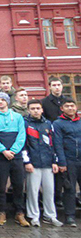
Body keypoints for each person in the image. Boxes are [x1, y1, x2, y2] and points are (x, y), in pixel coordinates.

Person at [0, 92, 29, 227]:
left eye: (3, 99)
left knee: (18, 185)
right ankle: (1, 212)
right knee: (1, 185)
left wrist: (14, 151)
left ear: (7, 101)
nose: (0, 102)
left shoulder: (17, 117)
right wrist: (3, 150)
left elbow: (22, 135)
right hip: (1, 156)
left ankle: (19, 213)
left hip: (16, 156)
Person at [22, 100, 62, 227]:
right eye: (32, 108)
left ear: (42, 110)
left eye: (38, 108)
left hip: (48, 163)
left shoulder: (48, 124)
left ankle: (50, 215)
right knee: (32, 192)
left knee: (49, 191)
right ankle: (34, 216)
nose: (35, 110)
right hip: (33, 163)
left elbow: (53, 143)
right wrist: (27, 161)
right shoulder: (25, 124)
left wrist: (55, 161)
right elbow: (23, 144)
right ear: (28, 110)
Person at [53, 97, 81, 227]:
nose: (70, 108)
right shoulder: (58, 123)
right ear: (62, 108)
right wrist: (62, 162)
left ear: (76, 107)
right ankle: (70, 216)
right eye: (67, 106)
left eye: (72, 105)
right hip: (69, 160)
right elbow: (57, 144)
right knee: (69, 189)